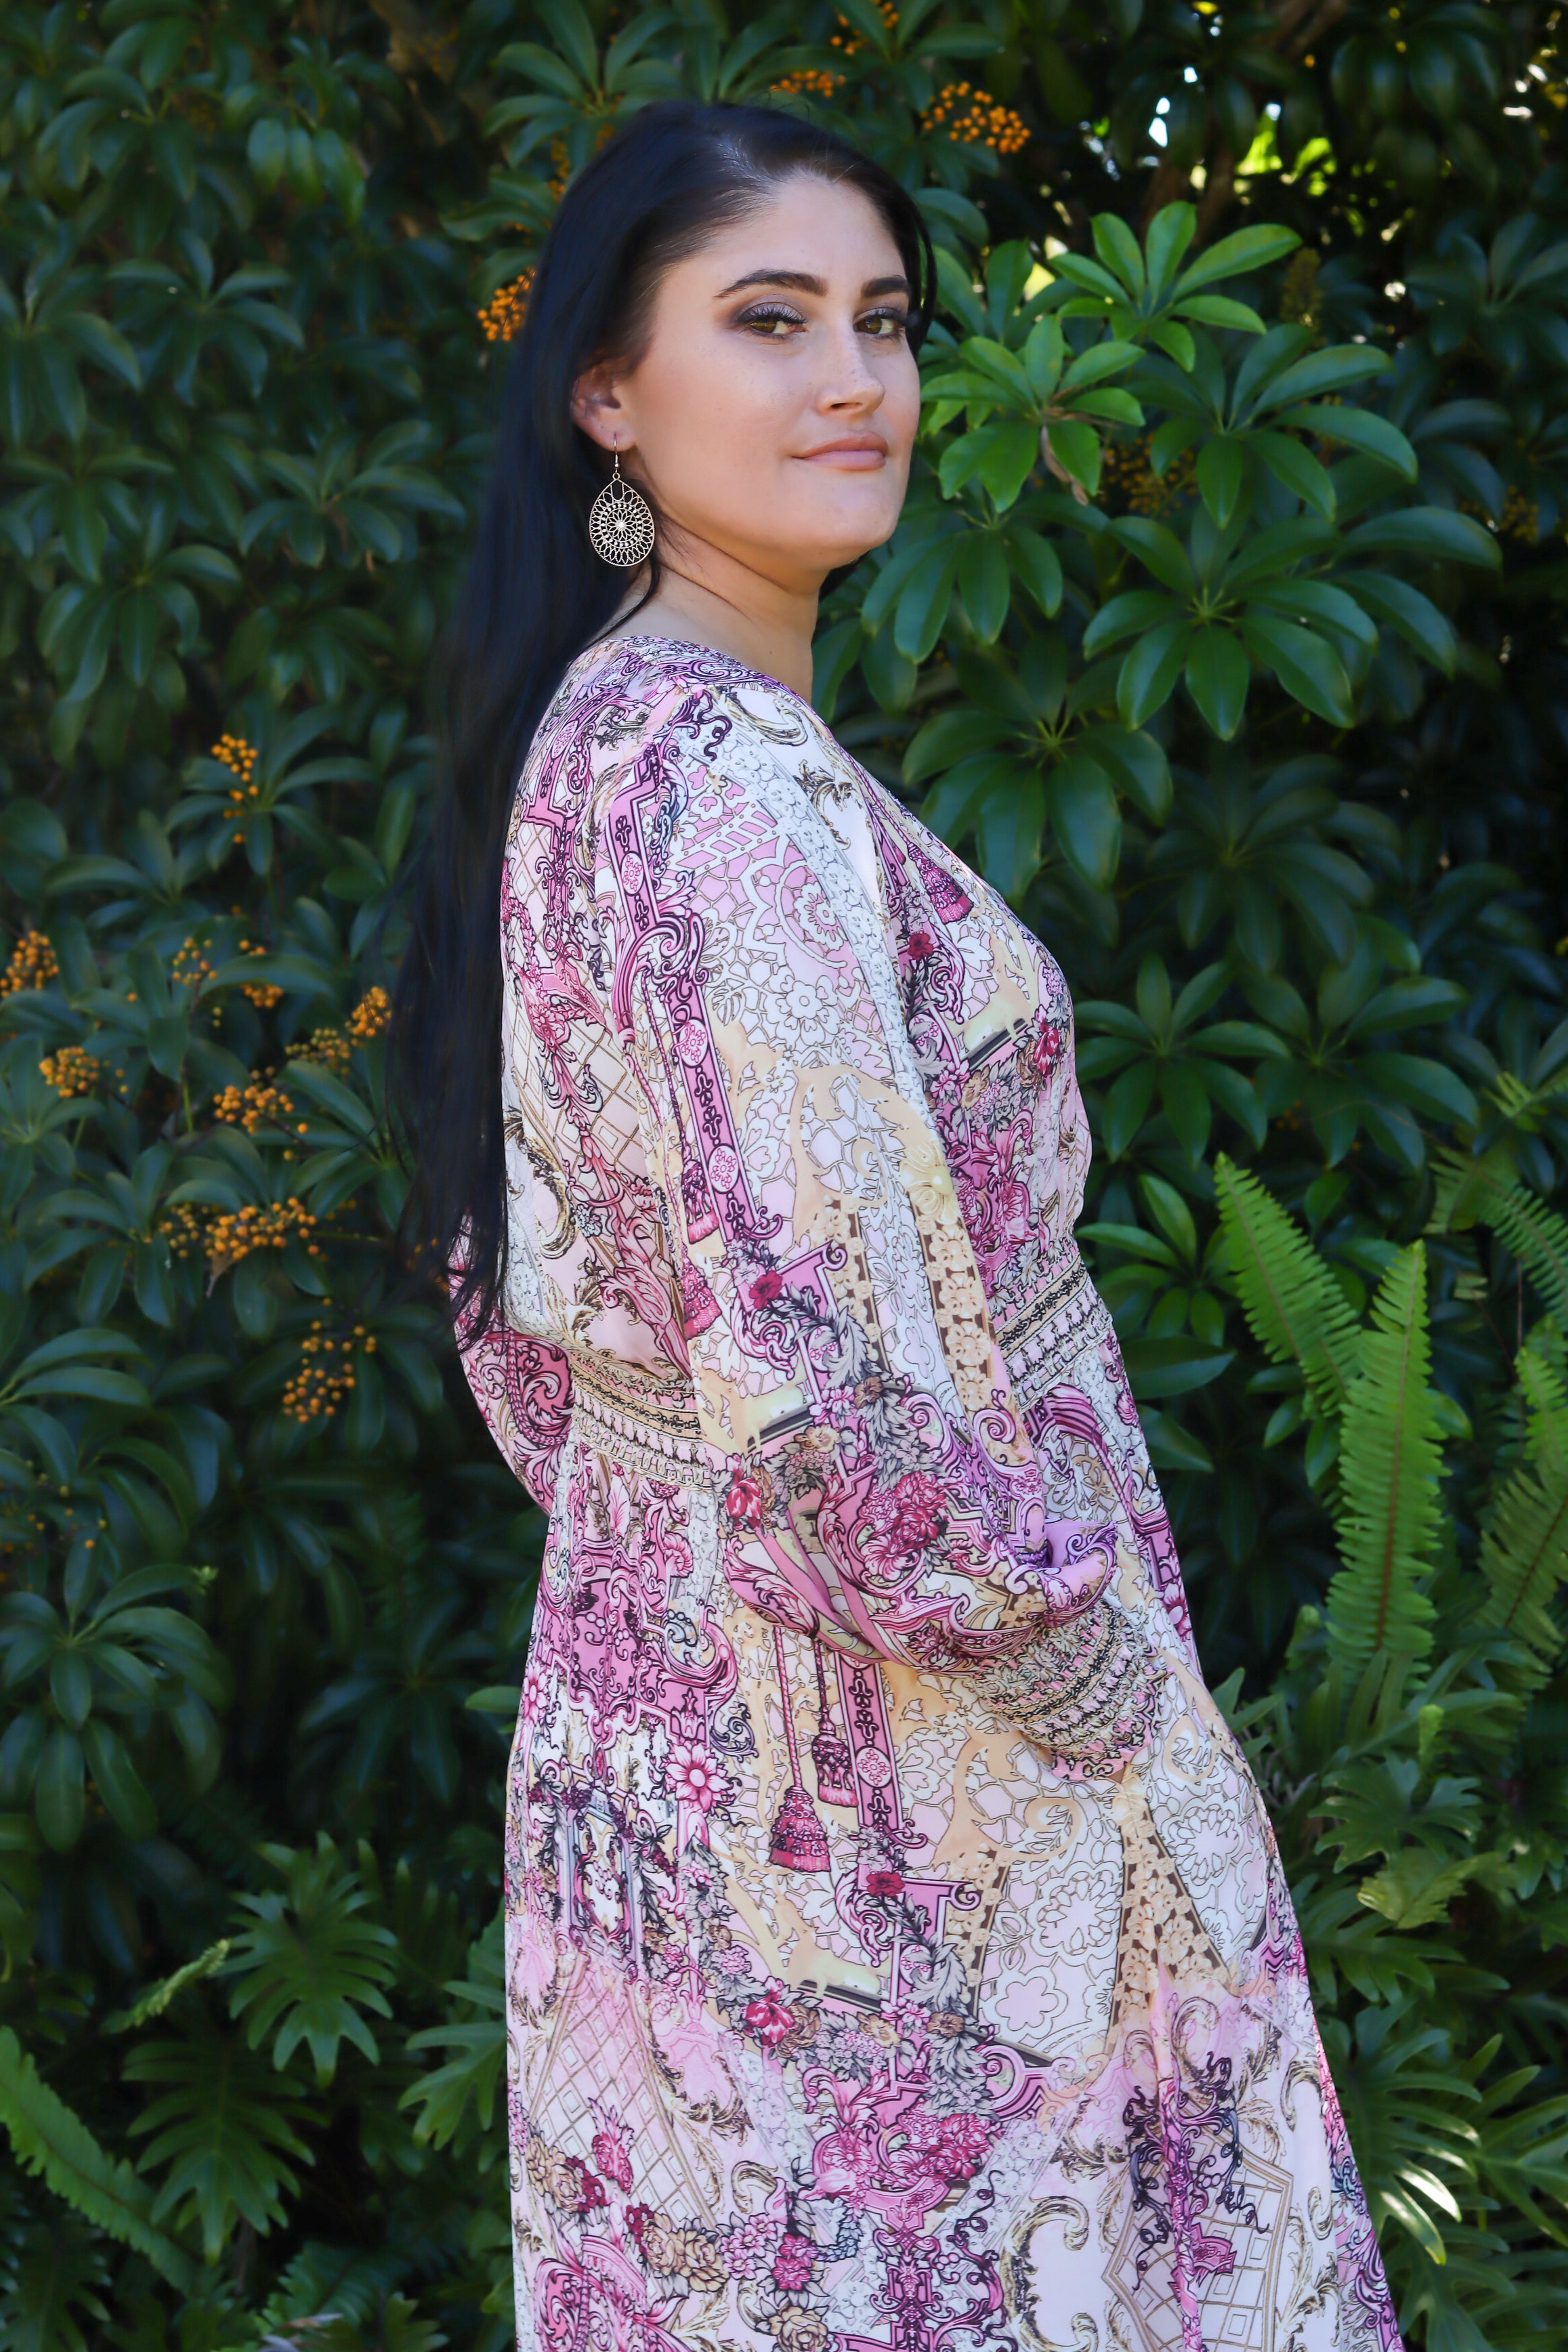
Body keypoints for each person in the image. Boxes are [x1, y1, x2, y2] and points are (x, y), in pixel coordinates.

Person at [390, 98, 1403, 2352]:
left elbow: (537, 1332)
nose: (855, 378)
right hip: (912, 1798)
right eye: (769, 321)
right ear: (607, 393)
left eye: (882, 320)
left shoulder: (601, 737)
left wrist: (694, 1586)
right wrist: (1106, 1712)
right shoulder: (724, 789)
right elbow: (835, 1402)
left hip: (682, 1731)